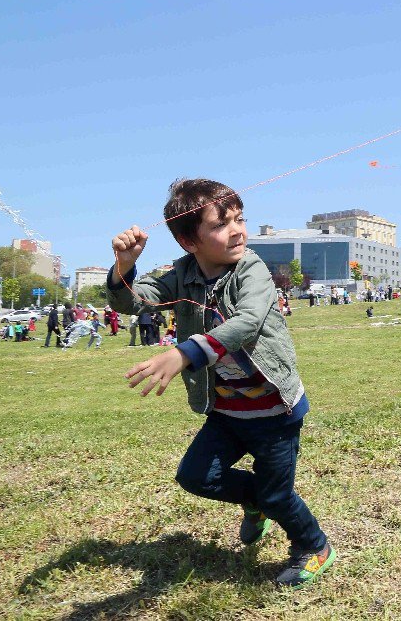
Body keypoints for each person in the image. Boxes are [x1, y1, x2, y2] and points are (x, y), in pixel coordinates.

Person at [107, 178, 335, 588]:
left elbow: (247, 322)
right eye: (221, 224)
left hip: (274, 412)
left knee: (277, 494)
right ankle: (256, 501)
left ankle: (314, 545)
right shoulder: (180, 275)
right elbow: (130, 301)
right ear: (188, 241)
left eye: (240, 218)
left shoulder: (252, 268)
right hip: (227, 413)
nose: (237, 230)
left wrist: (184, 352)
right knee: (195, 476)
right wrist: (125, 266)